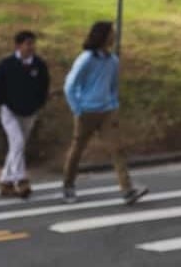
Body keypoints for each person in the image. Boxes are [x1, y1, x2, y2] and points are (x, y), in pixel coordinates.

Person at [62, 21, 148, 206]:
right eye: (111, 33)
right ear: (102, 36)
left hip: (107, 111)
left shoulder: (113, 61)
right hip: (86, 111)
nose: (114, 36)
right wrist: (77, 108)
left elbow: (113, 86)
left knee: (117, 149)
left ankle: (127, 190)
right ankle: (68, 185)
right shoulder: (86, 59)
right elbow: (70, 84)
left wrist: (114, 105)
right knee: (78, 149)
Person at [0, 30, 50, 198]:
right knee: (18, 141)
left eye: (32, 44)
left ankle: (6, 181)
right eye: (27, 44)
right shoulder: (6, 65)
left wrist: (39, 104)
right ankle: (21, 179)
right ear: (18, 45)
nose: (31, 47)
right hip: (9, 110)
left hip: (30, 112)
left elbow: (44, 86)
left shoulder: (39, 65)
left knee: (17, 146)